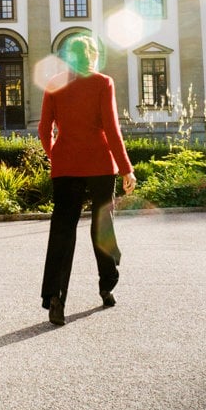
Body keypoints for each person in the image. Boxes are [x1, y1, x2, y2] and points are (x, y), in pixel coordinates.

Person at [38, 35, 136, 326]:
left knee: (62, 232)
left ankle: (56, 298)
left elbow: (44, 130)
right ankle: (107, 284)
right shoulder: (102, 82)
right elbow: (112, 129)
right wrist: (125, 168)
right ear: (92, 56)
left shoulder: (54, 83)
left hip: (66, 166)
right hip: (100, 165)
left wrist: (55, 155)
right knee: (101, 225)